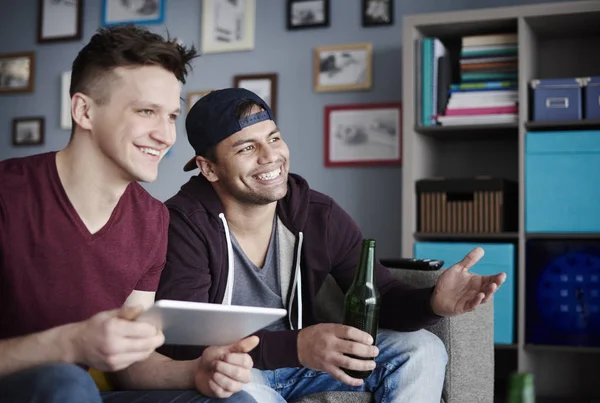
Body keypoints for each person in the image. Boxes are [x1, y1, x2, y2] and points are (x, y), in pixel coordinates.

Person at [155, 88, 507, 403]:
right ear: (209, 168)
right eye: (247, 147)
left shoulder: (317, 214)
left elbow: (380, 295)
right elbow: (185, 339)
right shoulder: (183, 224)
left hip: (304, 365)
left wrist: (433, 301)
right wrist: (299, 345)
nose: (270, 156)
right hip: (234, 369)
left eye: (273, 138)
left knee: (421, 347)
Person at [0, 26, 261, 403]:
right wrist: (70, 343)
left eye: (170, 116)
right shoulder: (9, 195)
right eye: (146, 112)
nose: (166, 135)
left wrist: (195, 371)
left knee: (232, 400)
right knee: (67, 383)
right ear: (84, 110)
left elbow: (129, 362)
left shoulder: (153, 220)